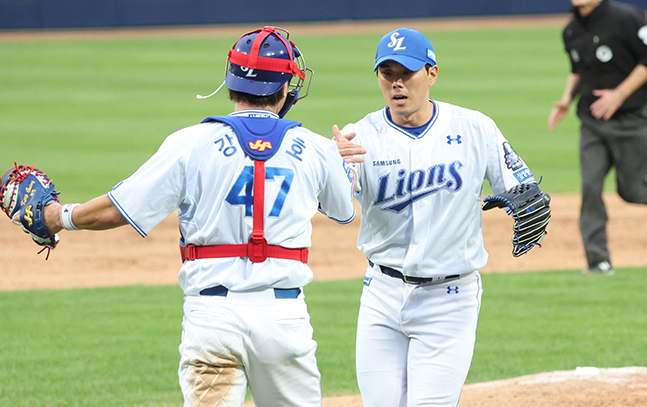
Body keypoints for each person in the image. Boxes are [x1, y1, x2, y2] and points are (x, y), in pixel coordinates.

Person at [38, 26, 356, 407]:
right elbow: (342, 210)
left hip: (212, 319)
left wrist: (60, 216)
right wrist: (342, 162)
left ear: (230, 81)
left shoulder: (190, 143)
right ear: (287, 86)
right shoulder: (316, 148)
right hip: (283, 319)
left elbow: (117, 209)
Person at [332, 28, 548, 407]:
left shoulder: (474, 128)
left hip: (449, 300)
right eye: (388, 74)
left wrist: (529, 202)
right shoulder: (358, 136)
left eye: (407, 73)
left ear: (431, 74)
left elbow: (525, 188)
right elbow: (335, 207)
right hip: (381, 295)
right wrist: (332, 168)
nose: (397, 84)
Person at [548, 0, 647, 276]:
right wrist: (567, 99)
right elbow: (578, 69)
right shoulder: (571, 29)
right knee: (590, 189)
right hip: (592, 121)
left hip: (632, 119)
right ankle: (598, 261)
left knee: (634, 191)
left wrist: (620, 94)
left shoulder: (627, 18)